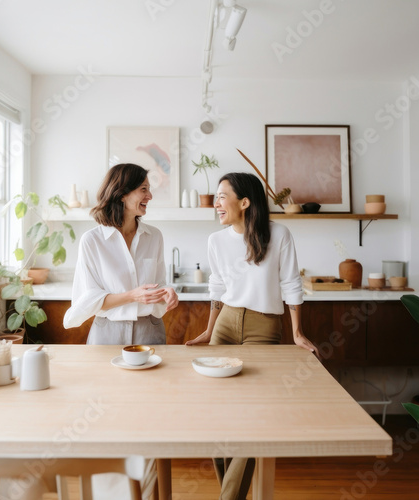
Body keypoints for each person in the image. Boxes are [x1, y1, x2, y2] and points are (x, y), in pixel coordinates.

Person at [186, 172, 319, 500]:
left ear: (244, 202)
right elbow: (217, 287)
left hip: (264, 326)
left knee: (254, 412)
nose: (216, 203)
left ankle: (228, 497)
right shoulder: (216, 240)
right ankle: (231, 494)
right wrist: (209, 327)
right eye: (215, 197)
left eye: (221, 196)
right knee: (214, 411)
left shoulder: (279, 234)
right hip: (226, 323)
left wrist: (297, 332)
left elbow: (291, 284)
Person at [63, 163, 178, 344]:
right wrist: (132, 296)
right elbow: (90, 299)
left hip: (149, 330)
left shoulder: (154, 236)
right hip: (107, 331)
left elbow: (159, 283)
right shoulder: (92, 241)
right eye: (144, 189)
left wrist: (167, 292)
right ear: (123, 194)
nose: (150, 196)